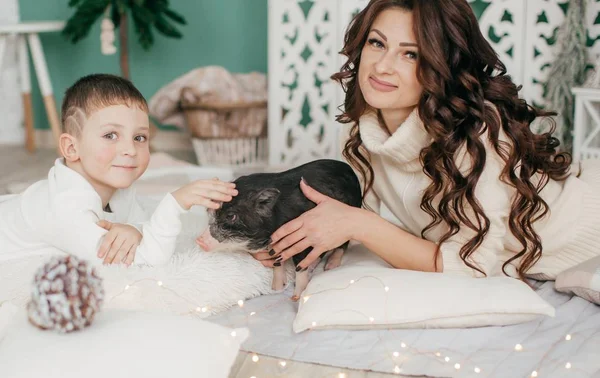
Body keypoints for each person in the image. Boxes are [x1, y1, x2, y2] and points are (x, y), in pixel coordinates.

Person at [254, 0, 600, 281]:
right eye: (377, 43)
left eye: (411, 54)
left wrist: (357, 224)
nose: (382, 66)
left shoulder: (475, 135)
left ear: (443, 66)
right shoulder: (363, 127)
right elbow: (364, 217)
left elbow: (472, 265)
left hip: (584, 235)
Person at [0, 73, 238, 267]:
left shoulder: (116, 187)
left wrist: (133, 229)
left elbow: (140, 221)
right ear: (71, 148)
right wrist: (175, 202)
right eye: (110, 135)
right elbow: (143, 262)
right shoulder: (67, 208)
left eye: (139, 137)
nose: (130, 149)